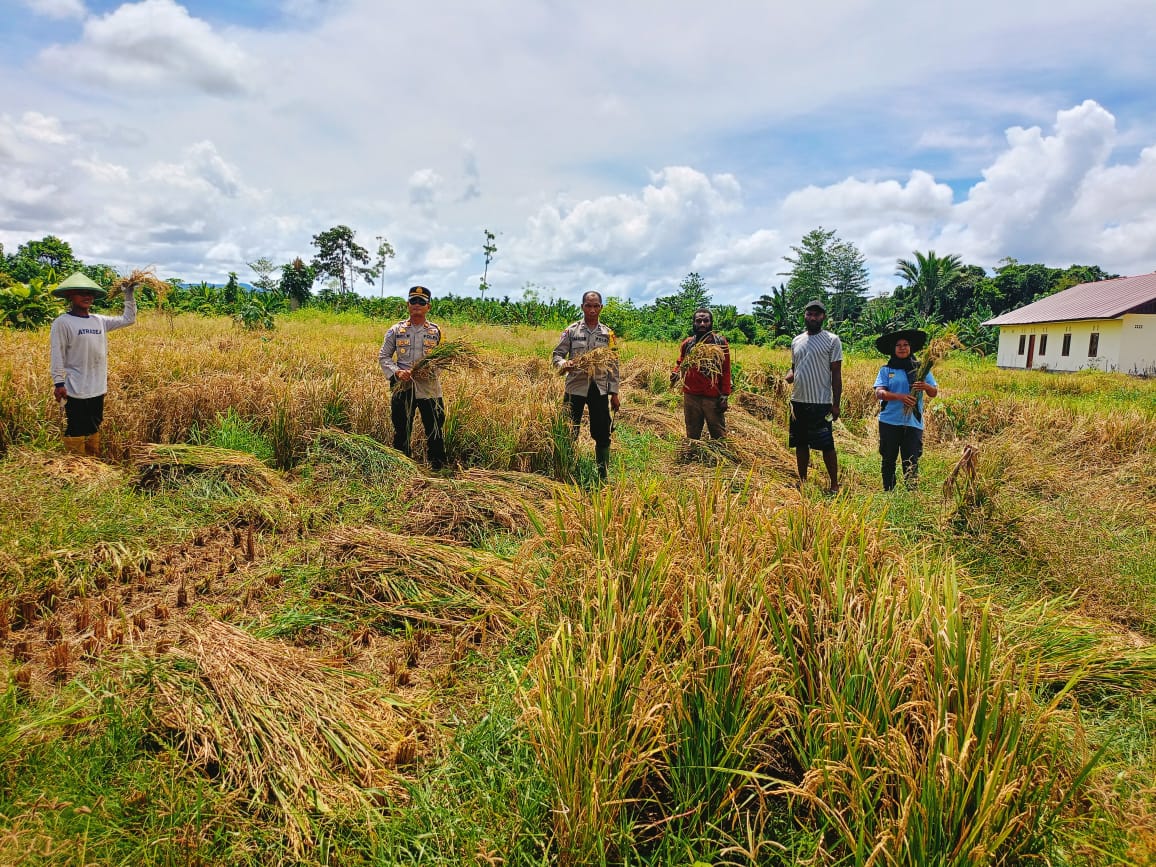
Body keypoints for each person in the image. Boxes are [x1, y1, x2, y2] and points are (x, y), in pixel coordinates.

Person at [50, 271, 136, 457]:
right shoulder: (63, 323)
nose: (87, 296)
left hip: (98, 386)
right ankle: (75, 465)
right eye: (81, 293)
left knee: (94, 424)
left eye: (89, 293)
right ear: (70, 296)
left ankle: (91, 462)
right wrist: (58, 383)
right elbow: (57, 353)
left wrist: (128, 295)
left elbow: (129, 319)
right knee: (76, 427)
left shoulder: (99, 321)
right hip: (75, 387)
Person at [552, 290, 620, 481]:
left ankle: (602, 474)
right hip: (575, 386)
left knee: (602, 432)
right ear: (582, 307)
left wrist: (614, 393)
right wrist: (563, 364)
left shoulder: (608, 334)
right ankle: (565, 470)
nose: (592, 309)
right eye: (588, 306)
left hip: (599, 388)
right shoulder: (571, 331)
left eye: (595, 305)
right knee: (568, 430)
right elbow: (557, 355)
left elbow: (613, 364)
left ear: (601, 307)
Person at [378, 285, 447, 470]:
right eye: (413, 301)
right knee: (402, 430)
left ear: (428, 307)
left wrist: (431, 370)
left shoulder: (435, 331)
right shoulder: (395, 330)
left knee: (435, 429)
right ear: (408, 305)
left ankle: (438, 469)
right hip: (403, 387)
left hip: (429, 388)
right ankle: (403, 468)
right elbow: (384, 357)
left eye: (421, 302)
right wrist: (397, 372)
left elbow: (443, 359)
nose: (417, 304)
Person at [785, 299, 842, 493]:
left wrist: (836, 404)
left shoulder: (832, 340)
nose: (813, 317)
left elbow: (836, 374)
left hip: (820, 402)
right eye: (809, 314)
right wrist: (790, 376)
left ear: (823, 317)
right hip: (798, 400)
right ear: (805, 316)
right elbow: (795, 367)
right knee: (800, 443)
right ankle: (802, 481)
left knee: (826, 445)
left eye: (817, 314)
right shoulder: (796, 341)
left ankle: (834, 484)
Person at [873, 329, 938, 491]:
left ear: (911, 348)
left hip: (913, 422)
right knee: (888, 459)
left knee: (911, 460)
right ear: (893, 349)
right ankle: (889, 491)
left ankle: (912, 492)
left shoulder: (921, 370)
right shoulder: (886, 370)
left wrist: (925, 386)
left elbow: (934, 392)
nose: (902, 348)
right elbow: (879, 393)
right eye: (898, 345)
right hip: (889, 421)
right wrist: (900, 397)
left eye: (906, 345)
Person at [671, 307, 732, 440]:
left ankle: (721, 457)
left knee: (719, 435)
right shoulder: (688, 344)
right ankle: (693, 457)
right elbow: (681, 362)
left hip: (713, 397)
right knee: (692, 434)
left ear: (711, 323)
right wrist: (675, 373)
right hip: (691, 396)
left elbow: (726, 369)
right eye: (699, 321)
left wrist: (725, 395)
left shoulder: (720, 343)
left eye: (706, 321)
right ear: (694, 323)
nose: (702, 324)